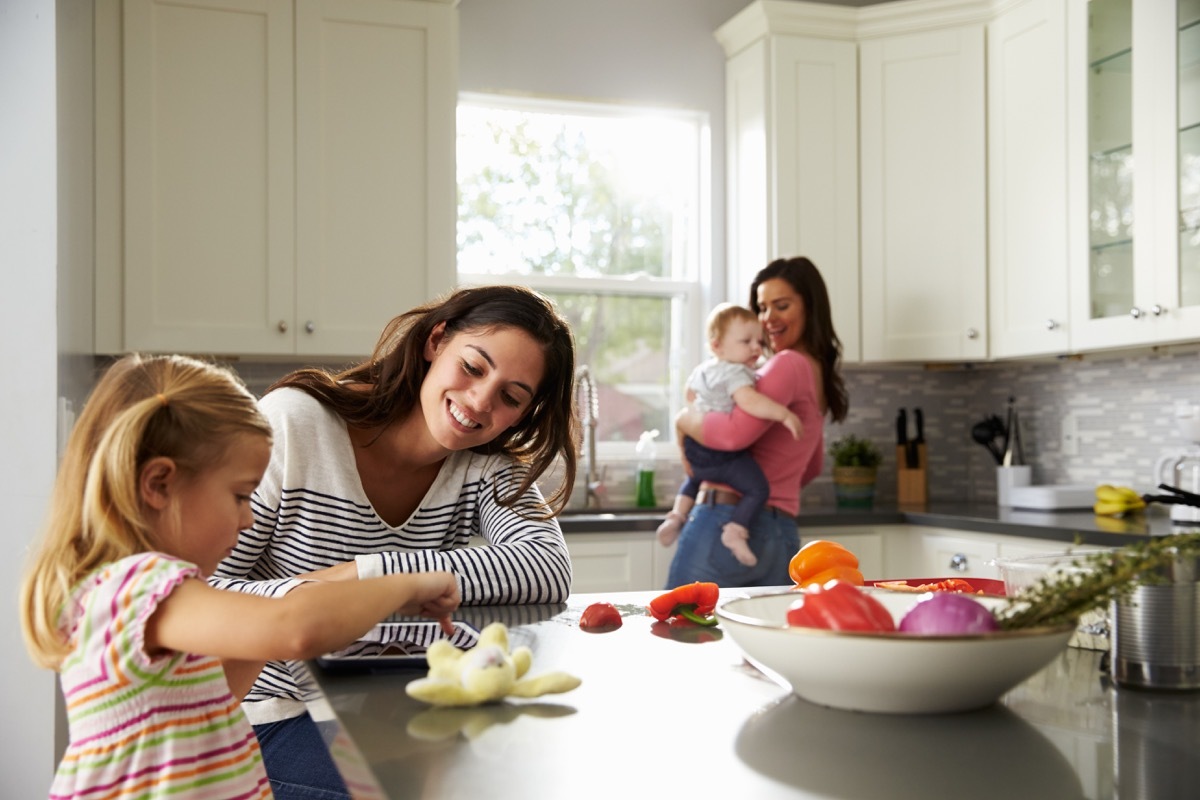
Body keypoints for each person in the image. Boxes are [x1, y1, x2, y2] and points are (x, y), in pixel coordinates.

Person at [19, 354, 461, 800]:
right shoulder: (136, 588)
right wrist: (405, 583)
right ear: (159, 485)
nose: (249, 518)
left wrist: (276, 623)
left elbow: (207, 702)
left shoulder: (149, 595)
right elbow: (293, 628)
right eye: (239, 495)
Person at [210, 284, 579, 798]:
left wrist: (369, 575)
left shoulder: (485, 463)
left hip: (396, 705)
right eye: (473, 367)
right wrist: (320, 602)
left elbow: (545, 568)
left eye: (511, 396)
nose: (479, 401)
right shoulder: (296, 425)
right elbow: (202, 590)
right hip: (270, 713)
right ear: (436, 341)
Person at [665, 256, 849, 588]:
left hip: (726, 524)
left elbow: (734, 435)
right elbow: (812, 466)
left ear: (811, 307)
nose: (767, 319)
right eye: (762, 308)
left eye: (781, 306)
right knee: (761, 638)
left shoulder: (786, 365)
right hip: (780, 534)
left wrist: (683, 420)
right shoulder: (815, 372)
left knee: (682, 634)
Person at [655, 303, 802, 566]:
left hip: (694, 448)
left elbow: (689, 397)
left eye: (759, 340)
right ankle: (735, 530)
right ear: (717, 346)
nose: (756, 348)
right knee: (757, 488)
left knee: (694, 478)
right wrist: (783, 414)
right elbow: (749, 402)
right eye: (746, 341)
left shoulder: (702, 369)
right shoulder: (736, 372)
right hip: (721, 454)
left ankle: (676, 516)